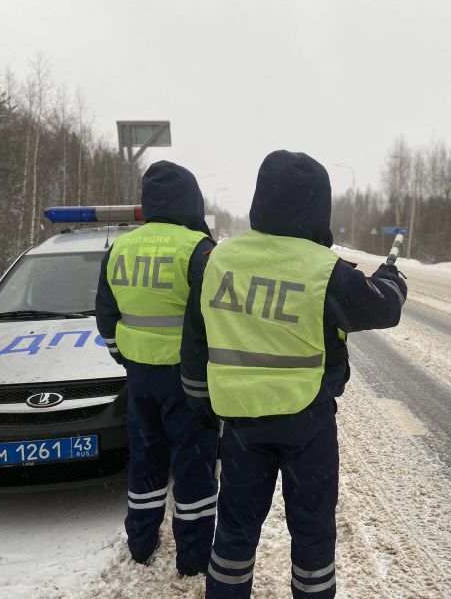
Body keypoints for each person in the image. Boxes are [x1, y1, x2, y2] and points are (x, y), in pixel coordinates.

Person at [180, 150, 407, 598]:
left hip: (242, 424)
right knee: (313, 533)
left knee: (235, 533)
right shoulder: (325, 270)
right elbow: (384, 307)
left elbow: (195, 344)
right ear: (319, 207)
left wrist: (201, 404)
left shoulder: (216, 262)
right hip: (308, 425)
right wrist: (392, 278)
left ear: (260, 200)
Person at [95, 160, 219, 575]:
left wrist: (125, 356)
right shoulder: (198, 249)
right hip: (188, 382)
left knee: (146, 460)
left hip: (140, 379)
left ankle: (142, 544)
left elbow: (106, 317)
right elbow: (212, 320)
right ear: (191, 200)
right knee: (193, 466)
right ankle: (194, 556)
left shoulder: (119, 248)